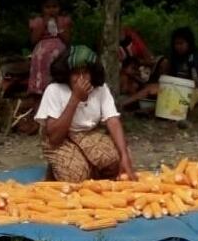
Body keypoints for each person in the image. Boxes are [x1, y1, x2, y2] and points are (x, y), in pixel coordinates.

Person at [35, 45, 136, 182]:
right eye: (76, 74)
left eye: (86, 73)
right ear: (68, 74)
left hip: (87, 134)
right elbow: (55, 138)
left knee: (118, 159)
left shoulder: (101, 89)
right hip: (60, 139)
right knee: (75, 177)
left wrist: (124, 156)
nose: (82, 78)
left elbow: (112, 120)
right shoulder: (54, 90)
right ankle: (57, 169)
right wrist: (75, 99)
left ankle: (89, 167)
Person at [122, 26, 198, 109]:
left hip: (195, 91)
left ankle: (124, 105)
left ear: (189, 43)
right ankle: (128, 105)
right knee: (152, 91)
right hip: (177, 88)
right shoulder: (175, 59)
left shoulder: (195, 59)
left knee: (156, 92)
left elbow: (196, 84)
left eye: (181, 43)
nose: (178, 47)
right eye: (176, 44)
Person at [28, 0, 72, 95]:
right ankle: (40, 91)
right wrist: (44, 23)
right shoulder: (38, 21)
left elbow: (67, 40)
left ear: (59, 8)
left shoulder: (64, 21)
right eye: (47, 7)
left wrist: (58, 25)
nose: (51, 10)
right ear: (42, 9)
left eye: (54, 7)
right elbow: (33, 40)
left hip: (58, 52)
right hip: (41, 54)